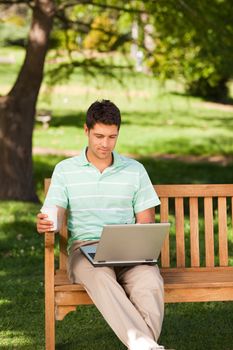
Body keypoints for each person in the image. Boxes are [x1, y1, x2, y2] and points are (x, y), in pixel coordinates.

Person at [37, 100, 165, 350]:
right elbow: (55, 214)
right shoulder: (65, 170)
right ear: (86, 131)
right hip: (86, 251)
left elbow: (146, 221)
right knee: (102, 278)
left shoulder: (134, 170)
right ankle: (147, 346)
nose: (105, 144)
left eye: (111, 137)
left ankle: (143, 346)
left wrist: (141, 246)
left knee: (150, 281)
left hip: (129, 252)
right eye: (98, 136)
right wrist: (47, 223)